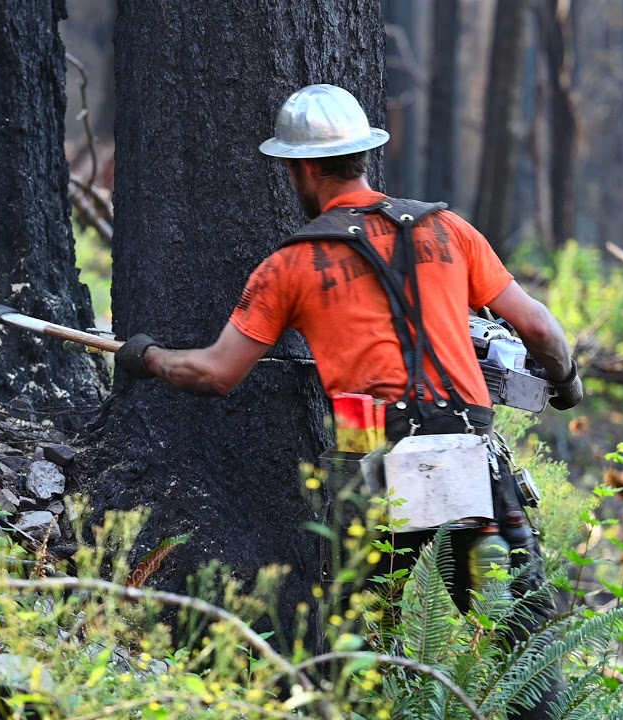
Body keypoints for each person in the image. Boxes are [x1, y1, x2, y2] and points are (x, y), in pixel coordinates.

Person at [114, 84, 583, 719]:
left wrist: (146, 358)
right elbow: (540, 330)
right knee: (518, 647)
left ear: (302, 169)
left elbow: (216, 373)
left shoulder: (292, 266)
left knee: (361, 653)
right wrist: (565, 381)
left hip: (374, 463)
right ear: (363, 153)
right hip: (466, 460)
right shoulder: (449, 231)